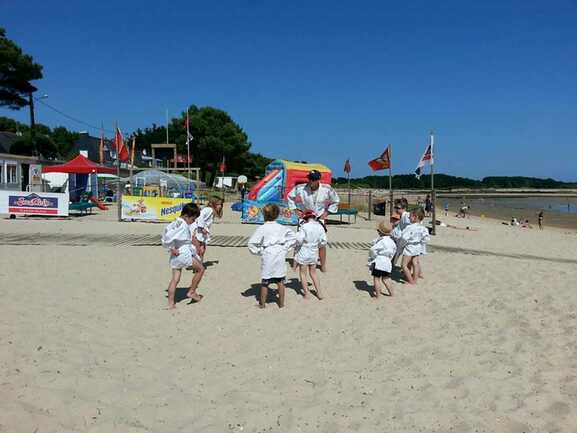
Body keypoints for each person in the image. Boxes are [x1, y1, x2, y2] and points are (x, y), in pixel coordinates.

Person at [287, 170, 340, 272]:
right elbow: (290, 196)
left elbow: (336, 201)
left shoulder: (327, 189)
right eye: (310, 178)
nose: (311, 181)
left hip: (319, 218)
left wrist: (327, 213)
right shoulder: (300, 188)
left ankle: (323, 265)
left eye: (313, 179)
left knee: (322, 243)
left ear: (318, 179)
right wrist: (294, 209)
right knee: (299, 241)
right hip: (304, 217)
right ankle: (296, 263)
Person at [248, 204, 297, 309]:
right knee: (280, 280)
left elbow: (251, 243)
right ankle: (281, 304)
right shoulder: (282, 227)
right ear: (277, 215)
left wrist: (259, 251)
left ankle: (262, 304)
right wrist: (285, 248)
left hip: (268, 254)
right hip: (280, 253)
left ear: (264, 215)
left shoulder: (262, 228)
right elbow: (293, 238)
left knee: (265, 281)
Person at [161, 203, 205, 309]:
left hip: (175, 255)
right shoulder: (182, 224)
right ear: (186, 216)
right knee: (201, 269)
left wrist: (171, 248)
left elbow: (165, 236)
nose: (193, 222)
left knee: (175, 279)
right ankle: (192, 291)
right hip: (183, 252)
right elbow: (168, 237)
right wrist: (171, 247)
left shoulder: (174, 223)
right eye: (193, 219)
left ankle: (171, 303)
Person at [294, 210, 328, 300]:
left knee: (303, 273)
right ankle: (319, 292)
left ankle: (307, 293)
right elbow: (323, 241)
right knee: (313, 273)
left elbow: (299, 239)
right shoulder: (320, 227)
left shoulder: (304, 226)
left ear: (305, 218)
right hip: (314, 252)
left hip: (304, 251)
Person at [399, 208, 430, 285]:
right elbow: (426, 239)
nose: (409, 218)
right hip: (417, 247)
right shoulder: (423, 228)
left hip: (409, 248)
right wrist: (420, 243)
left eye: (410, 216)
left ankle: (411, 281)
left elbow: (404, 238)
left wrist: (401, 245)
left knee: (404, 265)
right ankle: (415, 280)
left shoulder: (409, 227)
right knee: (415, 263)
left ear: (415, 217)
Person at [368, 221, 397, 298]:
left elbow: (373, 250)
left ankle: (378, 296)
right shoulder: (392, 242)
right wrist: (390, 259)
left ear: (380, 232)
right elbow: (394, 252)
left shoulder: (381, 241)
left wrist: (372, 257)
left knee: (376, 279)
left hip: (379, 261)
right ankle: (392, 294)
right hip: (387, 262)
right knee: (386, 279)